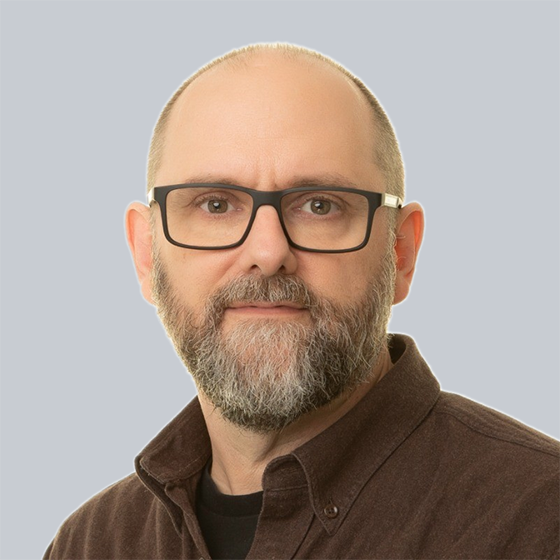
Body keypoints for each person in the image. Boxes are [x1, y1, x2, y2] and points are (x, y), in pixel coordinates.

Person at [44, 44, 560, 560]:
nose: (268, 253)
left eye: (320, 205)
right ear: (145, 254)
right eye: (215, 205)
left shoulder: (540, 518)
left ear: (400, 252)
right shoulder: (91, 544)